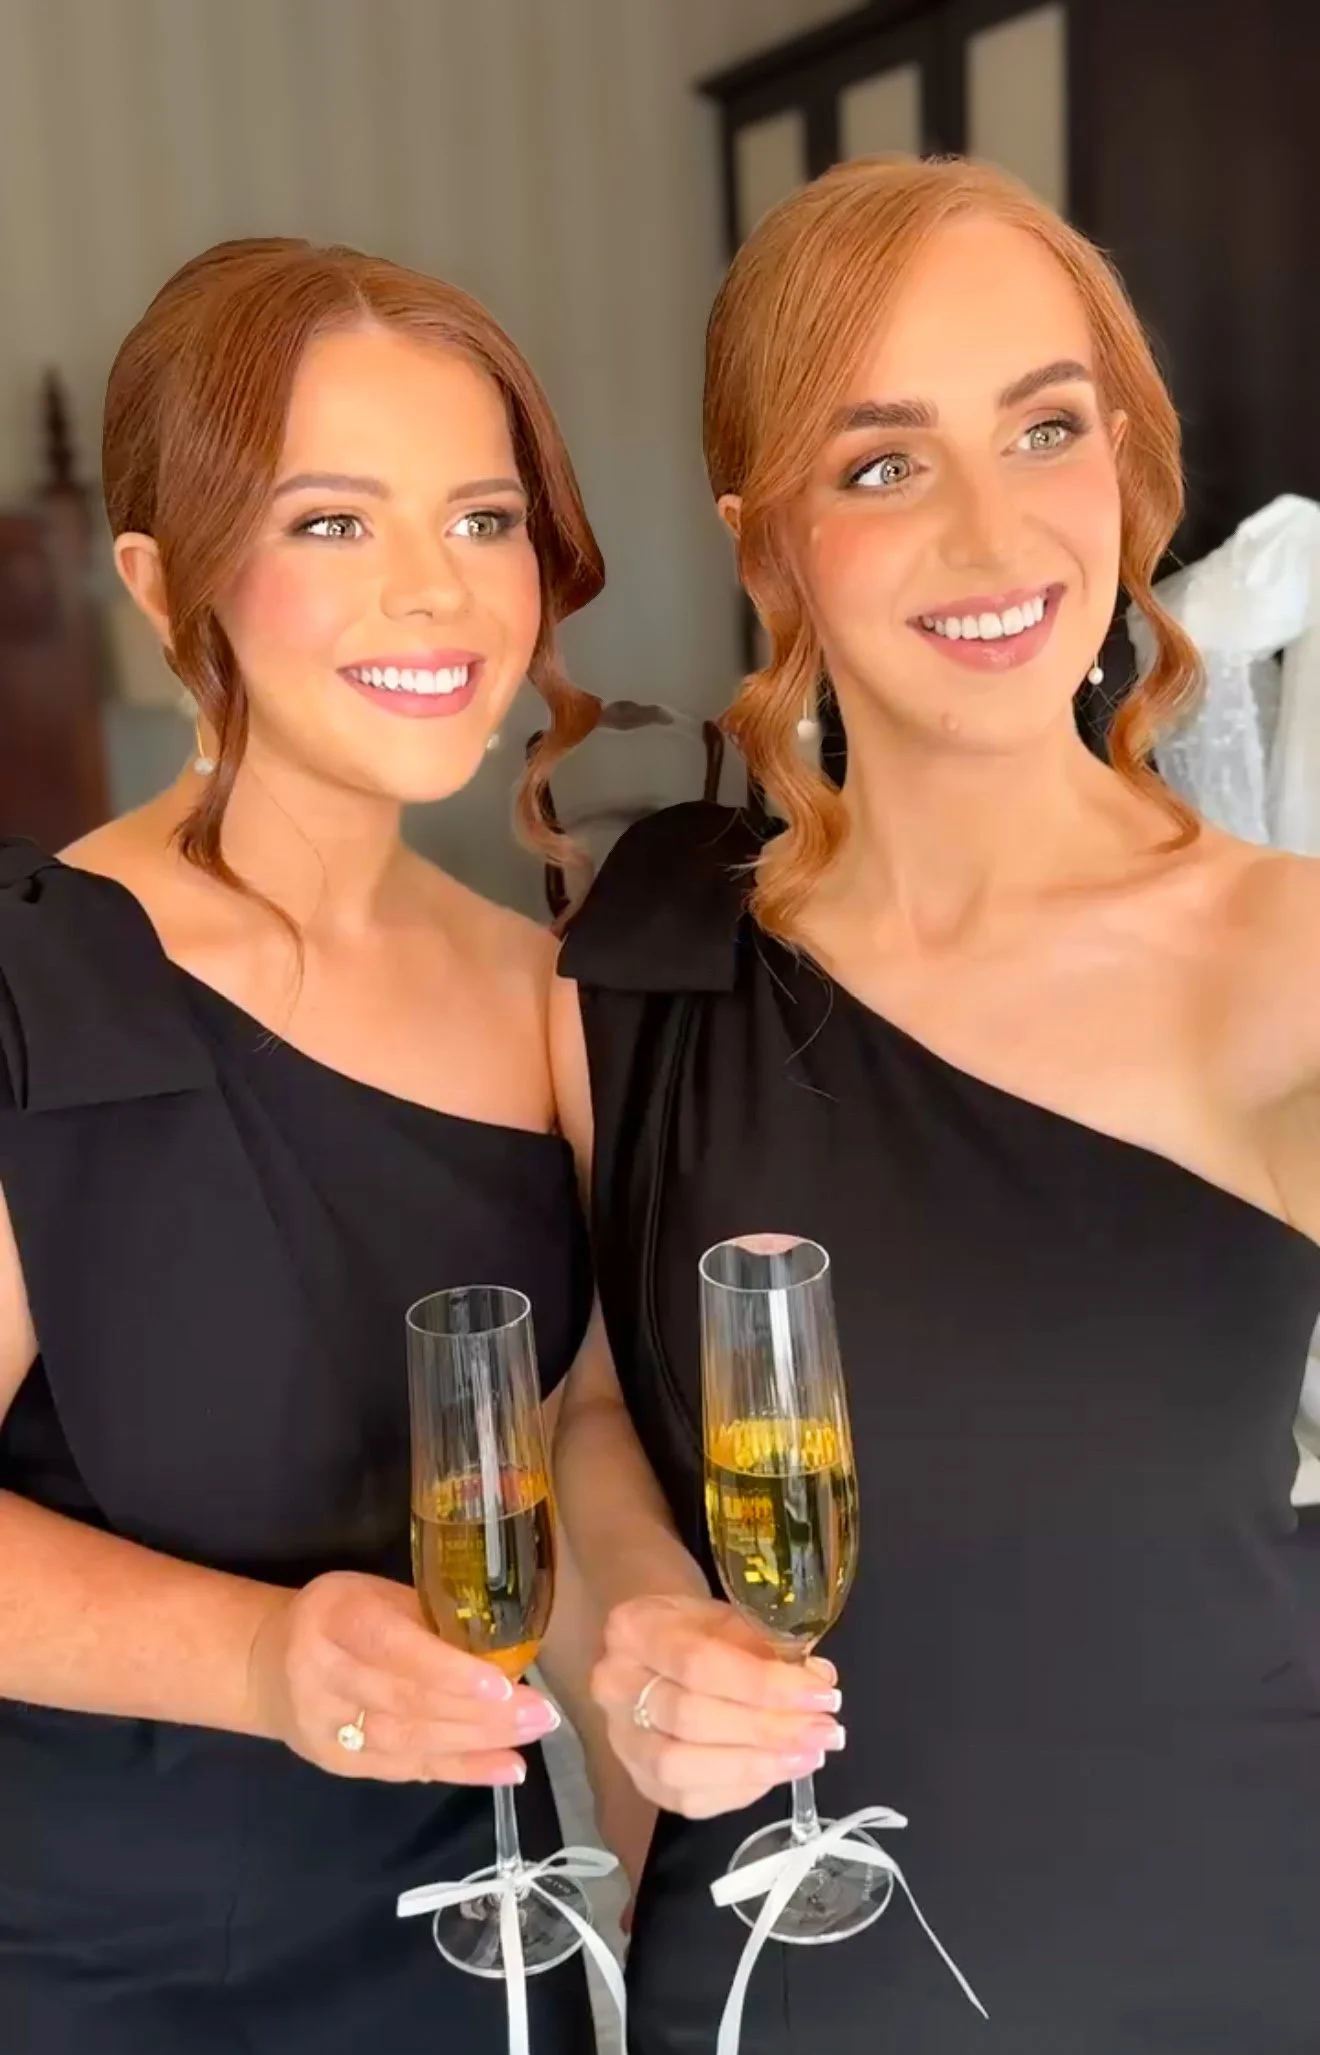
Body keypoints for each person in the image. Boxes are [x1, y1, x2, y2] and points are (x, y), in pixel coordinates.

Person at [549, 157, 1320, 2052]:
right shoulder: (641, 948)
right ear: (766, 545)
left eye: (1045, 427)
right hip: (778, 1988)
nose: (993, 535)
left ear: (1124, 460)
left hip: (1218, 1949)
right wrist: (627, 1629)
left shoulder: (1285, 957)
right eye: (883, 463)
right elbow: (575, 1402)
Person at [0, 236, 619, 2054]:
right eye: (332, 523)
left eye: (485, 519)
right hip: (96, 1977)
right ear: (162, 578)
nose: (435, 594)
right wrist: (268, 1662)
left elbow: (587, 1452)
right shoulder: (31, 981)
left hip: (473, 1960)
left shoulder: (558, 996)